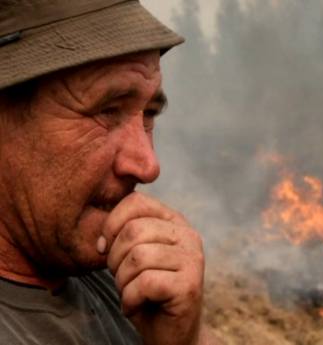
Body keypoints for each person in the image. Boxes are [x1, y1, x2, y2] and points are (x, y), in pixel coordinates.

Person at [0, 0, 218, 344]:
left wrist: (184, 338)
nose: (148, 164)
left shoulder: (104, 270)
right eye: (107, 111)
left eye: (148, 113)